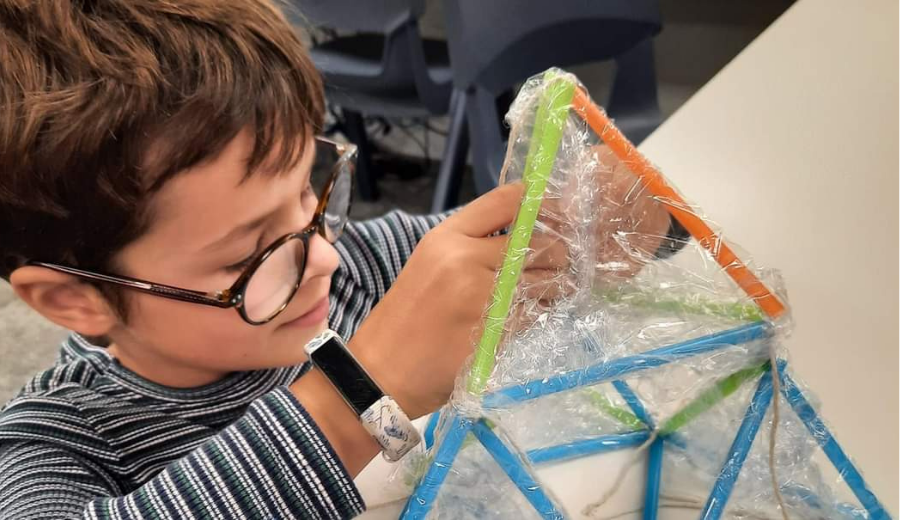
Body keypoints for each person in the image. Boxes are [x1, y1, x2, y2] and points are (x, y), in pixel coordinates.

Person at [0, 1, 686, 518]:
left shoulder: (363, 264)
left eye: (308, 191)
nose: (324, 257)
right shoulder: (58, 444)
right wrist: (364, 390)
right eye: (250, 253)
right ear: (74, 300)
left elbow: (554, 242)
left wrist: (605, 217)